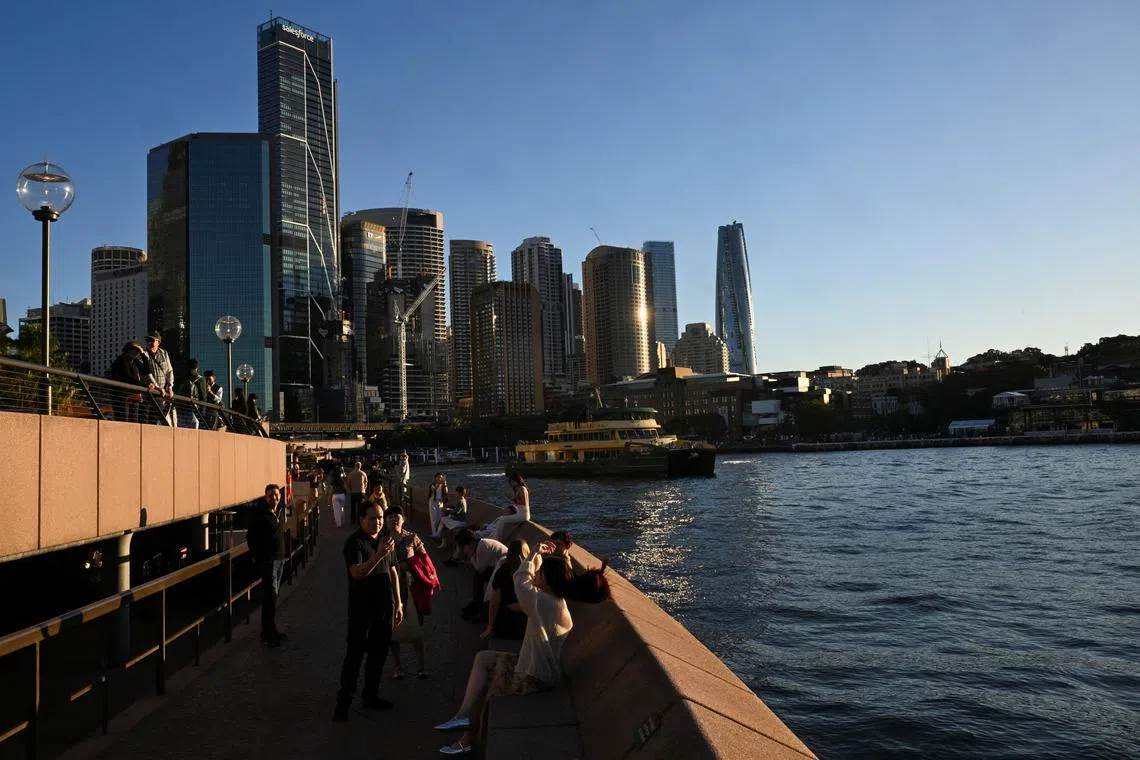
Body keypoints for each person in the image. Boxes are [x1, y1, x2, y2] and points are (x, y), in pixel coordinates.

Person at [435, 543, 611, 754]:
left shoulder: (543, 603)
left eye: (540, 572)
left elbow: (520, 579)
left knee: (486, 684)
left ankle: (466, 739)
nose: (536, 573)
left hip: (533, 676)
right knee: (483, 658)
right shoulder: (554, 601)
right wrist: (540, 558)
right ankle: (463, 717)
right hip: (535, 666)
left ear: (547, 579)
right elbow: (530, 582)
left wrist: (534, 554)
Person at [335, 503, 403, 721]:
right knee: (354, 656)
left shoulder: (385, 540)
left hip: (384, 608)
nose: (379, 522)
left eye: (381, 517)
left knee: (378, 655)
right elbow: (356, 573)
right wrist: (379, 555)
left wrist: (399, 603)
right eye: (373, 518)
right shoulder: (354, 543)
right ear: (362, 519)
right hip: (361, 611)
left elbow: (393, 570)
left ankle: (370, 695)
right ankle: (343, 702)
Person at [383, 506, 429, 680]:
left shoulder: (411, 538)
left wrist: (409, 565)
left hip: (410, 588)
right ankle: (398, 667)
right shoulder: (381, 539)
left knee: (416, 628)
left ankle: (422, 666)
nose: (394, 519)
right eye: (391, 516)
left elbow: (425, 561)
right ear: (386, 520)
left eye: (398, 516)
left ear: (403, 519)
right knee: (392, 631)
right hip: (388, 589)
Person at [246, 484, 287, 647]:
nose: (274, 497)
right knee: (269, 597)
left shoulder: (275, 513)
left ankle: (272, 630)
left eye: (276, 494)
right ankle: (267, 634)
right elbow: (252, 538)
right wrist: (259, 558)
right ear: (265, 497)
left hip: (278, 560)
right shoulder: (261, 516)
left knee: (273, 597)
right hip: (269, 562)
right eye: (271, 495)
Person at [454, 529, 507, 624]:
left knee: (479, 576)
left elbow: (480, 569)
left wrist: (471, 556)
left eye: (463, 547)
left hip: (506, 570)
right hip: (498, 567)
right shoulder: (479, 545)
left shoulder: (482, 546)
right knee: (478, 577)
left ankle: (481, 610)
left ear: (470, 543)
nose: (463, 551)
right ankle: (477, 605)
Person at [483, 539, 529, 641]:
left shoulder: (504, 571)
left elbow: (495, 602)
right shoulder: (531, 571)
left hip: (506, 625)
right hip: (525, 626)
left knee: (487, 605)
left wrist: (490, 628)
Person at [141, 331, 175, 425]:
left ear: (158, 342)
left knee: (156, 420)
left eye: (152, 340)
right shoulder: (143, 354)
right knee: (146, 420)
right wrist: (156, 386)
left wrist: (170, 387)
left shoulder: (164, 353)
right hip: (149, 391)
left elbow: (169, 371)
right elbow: (145, 373)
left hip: (161, 393)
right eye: (147, 340)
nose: (149, 342)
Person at [110, 341, 147, 423]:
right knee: (124, 423)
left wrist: (142, 354)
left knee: (133, 425)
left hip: (134, 396)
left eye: (138, 350)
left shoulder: (135, 362)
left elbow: (147, 370)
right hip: (122, 396)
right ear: (128, 350)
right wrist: (144, 385)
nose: (137, 352)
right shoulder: (121, 360)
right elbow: (127, 378)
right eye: (135, 349)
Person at [439, 486, 469, 561]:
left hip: (460, 522)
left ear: (459, 493)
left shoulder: (460, 501)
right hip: (461, 521)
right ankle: (442, 539)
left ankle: (441, 538)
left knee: (443, 519)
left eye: (456, 492)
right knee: (444, 523)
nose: (455, 493)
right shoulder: (463, 500)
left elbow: (456, 512)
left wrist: (447, 509)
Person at [177, 359, 208, 428]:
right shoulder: (200, 379)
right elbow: (203, 396)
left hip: (181, 409)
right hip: (193, 409)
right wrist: (203, 412)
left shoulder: (183, 378)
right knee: (193, 434)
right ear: (197, 367)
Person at [428, 472, 449, 542]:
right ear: (435, 478)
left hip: (440, 502)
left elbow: (446, 492)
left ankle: (438, 534)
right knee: (434, 519)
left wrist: (445, 484)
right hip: (433, 502)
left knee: (440, 518)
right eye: (439, 477)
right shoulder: (432, 484)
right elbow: (433, 490)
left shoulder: (443, 485)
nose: (440, 478)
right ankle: (434, 534)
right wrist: (440, 484)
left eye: (441, 477)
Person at [330, 462, 349, 528]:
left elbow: (331, 490)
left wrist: (329, 498)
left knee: (336, 510)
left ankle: (338, 524)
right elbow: (345, 476)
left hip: (335, 495)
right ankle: (342, 520)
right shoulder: (342, 478)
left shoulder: (333, 479)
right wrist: (342, 469)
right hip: (342, 495)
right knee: (342, 508)